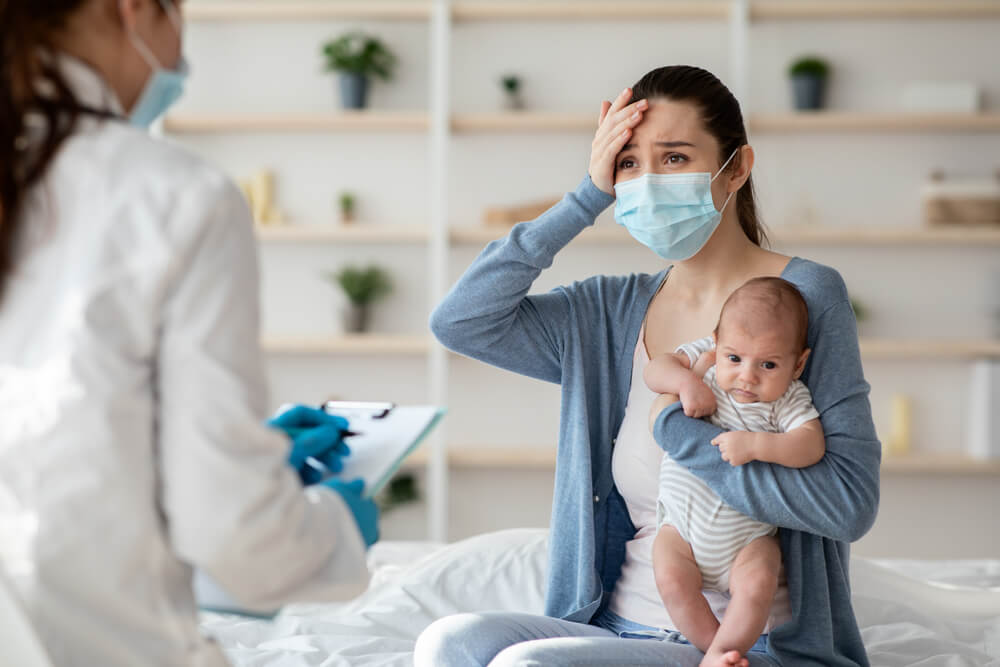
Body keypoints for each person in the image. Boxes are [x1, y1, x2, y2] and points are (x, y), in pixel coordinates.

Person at [417, 65, 880, 666]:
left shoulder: (801, 298)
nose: (649, 182)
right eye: (630, 164)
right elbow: (460, 320)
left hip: (752, 645)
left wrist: (683, 438)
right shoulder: (606, 310)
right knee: (450, 642)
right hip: (615, 627)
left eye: (675, 158)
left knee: (527, 665)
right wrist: (587, 197)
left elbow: (847, 503)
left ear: (736, 168)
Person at [0, 1, 376, 665]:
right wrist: (336, 524)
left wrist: (223, 455)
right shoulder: (171, 196)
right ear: (135, 11)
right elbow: (241, 540)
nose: (177, 58)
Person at [645, 277, 825, 667]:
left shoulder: (789, 399)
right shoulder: (705, 360)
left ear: (798, 364)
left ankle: (723, 654)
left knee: (758, 583)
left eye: (768, 364)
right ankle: (715, 650)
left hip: (747, 537)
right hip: (681, 527)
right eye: (735, 358)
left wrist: (758, 444)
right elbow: (655, 369)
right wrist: (685, 381)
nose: (747, 376)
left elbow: (811, 444)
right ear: (716, 341)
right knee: (671, 579)